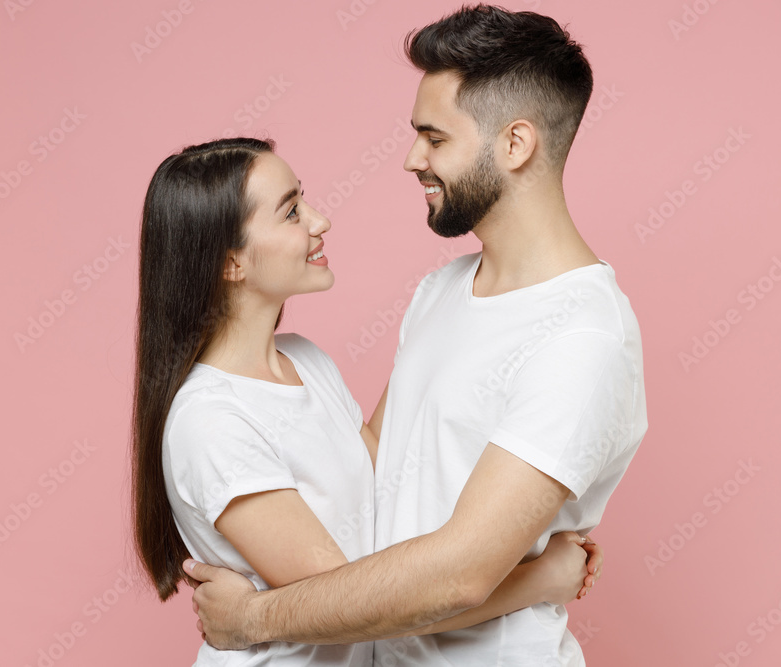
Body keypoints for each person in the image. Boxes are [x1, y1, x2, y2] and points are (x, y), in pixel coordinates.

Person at [184, 6, 648, 667]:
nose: (411, 159)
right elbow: (365, 469)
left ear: (515, 145)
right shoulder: (444, 290)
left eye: (435, 138)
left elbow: (460, 572)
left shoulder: (583, 338)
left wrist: (255, 616)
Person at [131, 136, 601, 666]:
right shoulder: (212, 421)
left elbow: (390, 470)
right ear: (230, 262)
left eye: (303, 199)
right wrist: (539, 577)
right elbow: (353, 605)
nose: (319, 220)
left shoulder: (305, 361)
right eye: (290, 212)